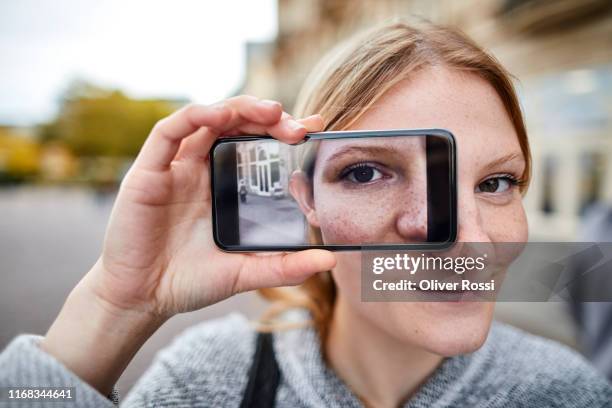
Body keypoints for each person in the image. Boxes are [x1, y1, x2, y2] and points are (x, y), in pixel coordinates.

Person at [1, 21, 610, 408]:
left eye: (497, 182)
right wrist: (117, 305)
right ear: (305, 199)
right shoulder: (212, 379)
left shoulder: (567, 392)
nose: (466, 239)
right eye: (367, 172)